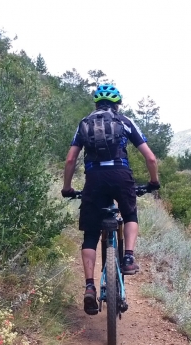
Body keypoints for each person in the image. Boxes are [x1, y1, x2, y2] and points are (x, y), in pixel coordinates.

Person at [61, 84, 160, 315]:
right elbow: (151, 158)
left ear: (96, 103)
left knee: (91, 234)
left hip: (94, 179)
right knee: (130, 214)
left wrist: (67, 188)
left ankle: (88, 287)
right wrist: (154, 182)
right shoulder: (125, 121)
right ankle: (127, 258)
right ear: (117, 104)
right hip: (120, 175)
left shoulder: (84, 124)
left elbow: (70, 161)